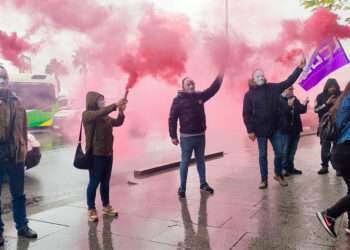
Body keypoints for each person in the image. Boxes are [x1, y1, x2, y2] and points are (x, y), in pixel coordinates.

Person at [242, 57, 306, 189]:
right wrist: (250, 130)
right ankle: (264, 179)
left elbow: (288, 81)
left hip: (275, 128)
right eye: (257, 75)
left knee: (280, 153)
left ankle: (278, 174)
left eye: (262, 75)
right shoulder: (249, 95)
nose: (260, 77)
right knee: (262, 155)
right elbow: (246, 114)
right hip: (260, 131)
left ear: (264, 77)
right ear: (253, 79)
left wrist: (299, 68)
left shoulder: (272, 88)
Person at [169, 72, 224, 198]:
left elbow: (213, 89)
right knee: (185, 162)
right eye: (188, 83)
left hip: (200, 136)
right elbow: (172, 118)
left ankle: (203, 184)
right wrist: (173, 136)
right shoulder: (178, 100)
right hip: (186, 138)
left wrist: (221, 74)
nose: (191, 84)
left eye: (192, 82)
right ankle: (182, 188)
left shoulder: (200, 96)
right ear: (183, 87)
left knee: (201, 160)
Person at [0, 66, 37, 246]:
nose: (1, 81)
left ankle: (22, 226)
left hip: (15, 155)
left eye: (3, 77)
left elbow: (22, 129)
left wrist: (23, 150)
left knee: (19, 194)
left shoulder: (16, 101)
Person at [83, 91, 127, 222]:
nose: (102, 102)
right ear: (93, 102)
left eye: (103, 100)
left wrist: (121, 111)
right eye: (100, 100)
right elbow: (99, 113)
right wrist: (114, 105)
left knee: (105, 182)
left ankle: (106, 206)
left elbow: (118, 123)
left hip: (108, 153)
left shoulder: (105, 116)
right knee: (94, 182)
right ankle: (91, 209)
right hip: (96, 155)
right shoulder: (88, 115)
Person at [316, 81, 350, 238]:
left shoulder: (344, 98)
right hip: (345, 151)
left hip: (340, 152)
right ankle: (329, 215)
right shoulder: (347, 100)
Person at [280, 86, 309, 176]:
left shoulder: (295, 99)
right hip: (285, 130)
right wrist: (288, 106)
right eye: (290, 89)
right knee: (285, 151)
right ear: (284, 90)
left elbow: (301, 110)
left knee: (292, 151)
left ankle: (290, 168)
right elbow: (279, 113)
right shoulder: (279, 100)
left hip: (295, 129)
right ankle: (283, 169)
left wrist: (305, 104)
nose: (292, 91)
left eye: (292, 89)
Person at [314, 78, 341, 175]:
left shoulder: (342, 95)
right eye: (330, 86)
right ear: (327, 86)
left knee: (339, 148)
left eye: (334, 86)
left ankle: (339, 168)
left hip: (339, 125)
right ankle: (324, 166)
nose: (332, 88)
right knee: (325, 147)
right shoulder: (320, 96)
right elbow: (316, 109)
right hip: (325, 126)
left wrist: (338, 104)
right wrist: (327, 103)